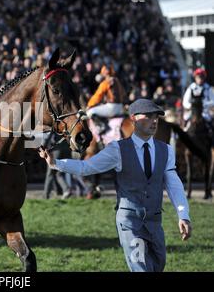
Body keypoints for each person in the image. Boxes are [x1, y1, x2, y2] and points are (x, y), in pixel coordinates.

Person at [38, 98, 192, 272]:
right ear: (133, 118)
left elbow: (174, 184)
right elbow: (86, 167)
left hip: (155, 221)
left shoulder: (166, 150)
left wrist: (183, 214)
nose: (154, 120)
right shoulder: (117, 149)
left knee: (158, 266)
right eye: (148, 116)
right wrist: (55, 163)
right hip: (129, 222)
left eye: (156, 116)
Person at [86, 65, 127, 134]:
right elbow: (124, 93)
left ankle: (101, 126)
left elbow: (97, 96)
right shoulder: (117, 80)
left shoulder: (105, 82)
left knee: (90, 112)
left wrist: (89, 105)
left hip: (112, 107)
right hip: (121, 107)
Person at [182, 68, 214, 139]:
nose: (200, 79)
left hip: (204, 111)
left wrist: (204, 104)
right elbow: (185, 101)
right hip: (193, 110)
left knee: (211, 124)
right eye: (198, 77)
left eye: (201, 77)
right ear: (195, 77)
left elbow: (213, 101)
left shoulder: (208, 88)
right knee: (186, 122)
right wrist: (191, 106)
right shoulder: (191, 87)